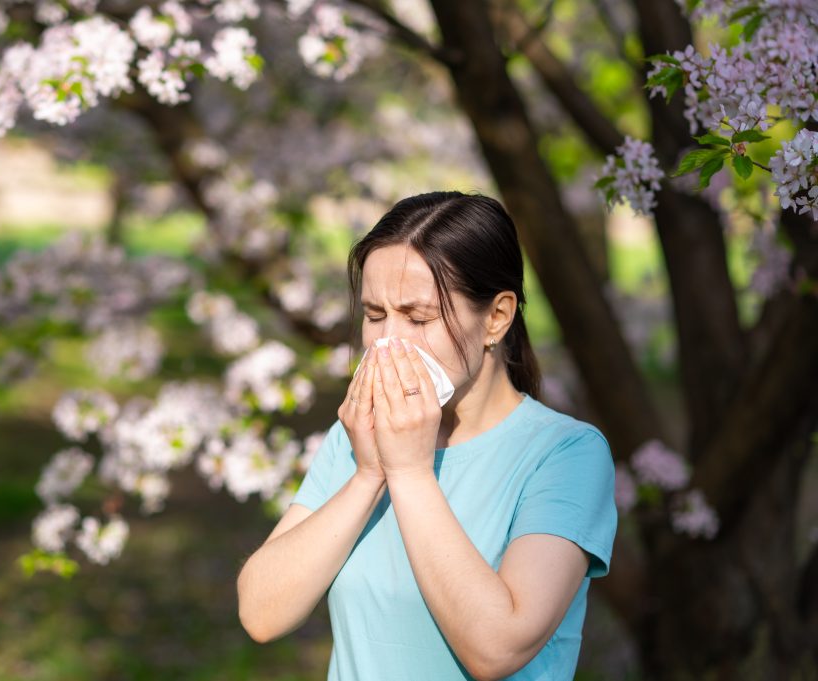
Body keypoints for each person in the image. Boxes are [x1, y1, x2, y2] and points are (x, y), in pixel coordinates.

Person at [237, 191, 617, 680]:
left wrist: (410, 472)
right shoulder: (356, 436)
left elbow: (497, 650)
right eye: (375, 315)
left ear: (497, 317)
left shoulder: (566, 455)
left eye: (418, 318)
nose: (388, 342)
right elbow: (262, 614)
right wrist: (369, 473)